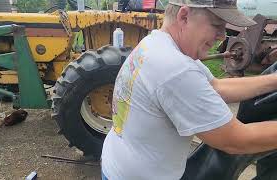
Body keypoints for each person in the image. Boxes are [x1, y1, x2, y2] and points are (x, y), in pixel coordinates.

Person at [101, 0, 277, 179]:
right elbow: (234, 140)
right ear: (184, 16)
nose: (223, 36)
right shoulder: (175, 69)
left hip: (118, 162)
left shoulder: (158, 43)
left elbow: (216, 87)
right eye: (217, 25)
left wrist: (274, 80)